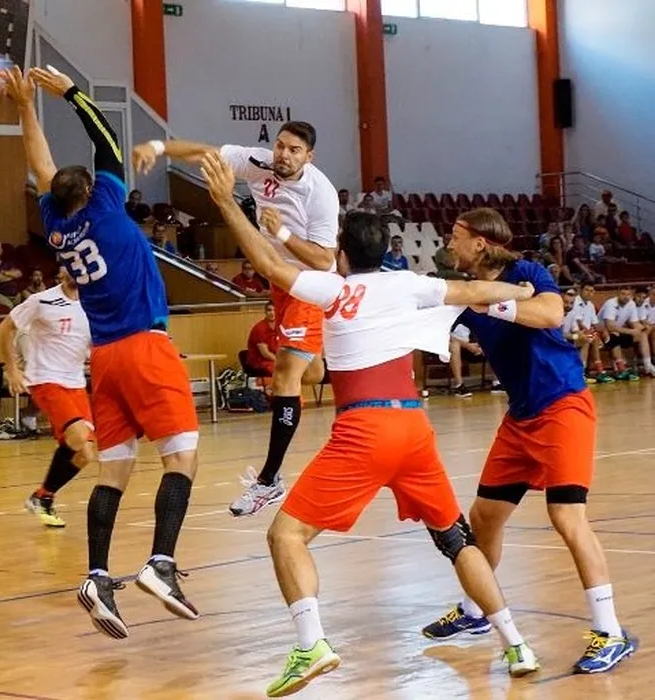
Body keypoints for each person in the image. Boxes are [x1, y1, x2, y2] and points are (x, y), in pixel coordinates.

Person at [201, 153, 539, 696]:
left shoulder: (332, 289)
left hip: (364, 431)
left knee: (286, 535)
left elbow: (267, 263)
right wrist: (522, 293)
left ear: (342, 253)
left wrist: (224, 202)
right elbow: (477, 291)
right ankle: (517, 643)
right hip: (414, 429)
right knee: (456, 539)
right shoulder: (410, 282)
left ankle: (311, 644)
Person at [5, 65, 201, 639]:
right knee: (181, 458)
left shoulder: (55, 223)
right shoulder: (107, 207)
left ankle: (95, 576)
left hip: (105, 359)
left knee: (114, 469)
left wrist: (24, 107)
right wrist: (69, 92)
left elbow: (40, 165)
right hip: (143, 345)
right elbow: (107, 140)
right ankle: (160, 563)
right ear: (91, 191)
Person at [423, 207, 637, 674]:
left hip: (563, 405)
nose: (449, 243)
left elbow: (550, 313)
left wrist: (492, 302)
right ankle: (476, 610)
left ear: (480, 242)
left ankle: (611, 632)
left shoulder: (527, 272)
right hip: (520, 418)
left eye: (456, 236)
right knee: (484, 517)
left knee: (566, 516)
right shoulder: (463, 291)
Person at [133, 119, 337, 519]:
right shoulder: (258, 162)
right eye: (281, 146)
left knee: (284, 376)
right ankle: (331, 359)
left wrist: (283, 236)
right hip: (279, 279)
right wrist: (157, 147)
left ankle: (269, 480)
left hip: (308, 282)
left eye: (294, 150)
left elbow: (324, 259)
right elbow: (204, 153)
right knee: (310, 373)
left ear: (309, 157)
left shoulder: (321, 194)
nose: (284, 154)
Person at [0, 268, 94, 528]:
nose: (76, 270)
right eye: (69, 266)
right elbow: (6, 327)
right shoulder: (42, 300)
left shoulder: (93, 303)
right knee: (78, 436)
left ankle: (43, 497)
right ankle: (42, 498)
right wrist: (12, 369)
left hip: (76, 382)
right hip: (46, 379)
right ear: (61, 270)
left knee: (85, 455)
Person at [245, 301, 279, 376]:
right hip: (261, 361)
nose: (272, 313)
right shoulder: (260, 328)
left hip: (274, 359)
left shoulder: (280, 326)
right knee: (282, 370)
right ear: (265, 312)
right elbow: (265, 353)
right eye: (269, 310)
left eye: (275, 310)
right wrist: (281, 361)